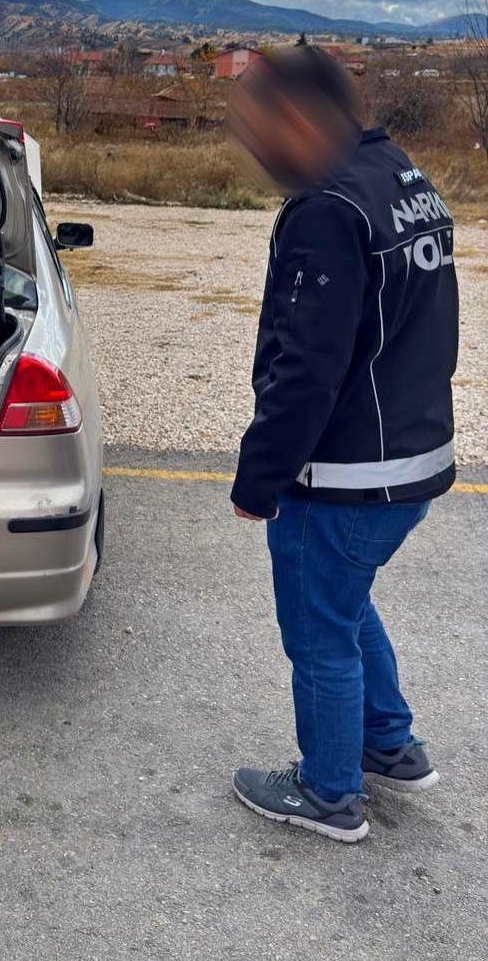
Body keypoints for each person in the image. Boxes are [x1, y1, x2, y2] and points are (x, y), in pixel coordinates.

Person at [226, 46, 458, 843]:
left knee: (318, 629)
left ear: (297, 118)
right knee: (345, 603)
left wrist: (259, 478)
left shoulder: (327, 209)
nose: (252, 146)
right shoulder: (401, 177)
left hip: (346, 470)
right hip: (416, 460)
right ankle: (387, 741)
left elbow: (305, 369)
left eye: (256, 125)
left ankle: (328, 792)